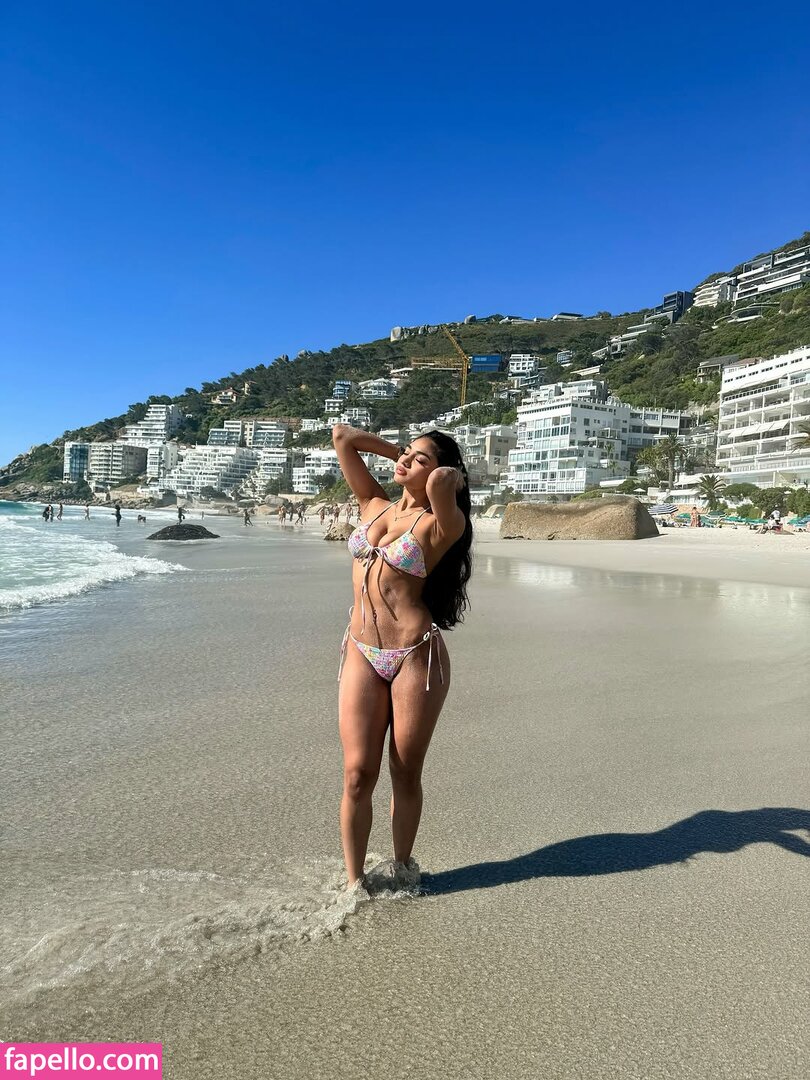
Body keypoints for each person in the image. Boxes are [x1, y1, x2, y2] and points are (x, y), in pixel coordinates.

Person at [332, 425, 472, 888]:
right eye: (406, 454)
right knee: (357, 773)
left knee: (405, 770)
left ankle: (402, 867)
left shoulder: (442, 524)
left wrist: (443, 472)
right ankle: (354, 884)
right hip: (361, 651)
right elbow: (343, 437)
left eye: (420, 459)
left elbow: (441, 484)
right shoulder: (373, 504)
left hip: (415, 656)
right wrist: (404, 453)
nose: (406, 461)